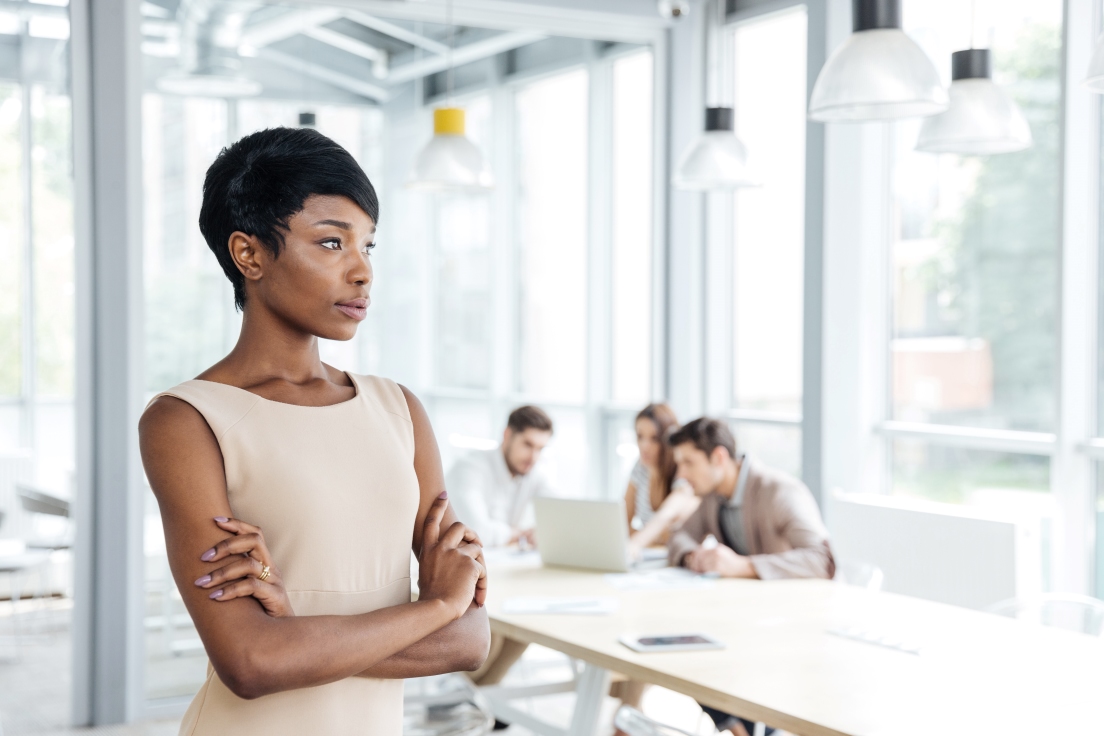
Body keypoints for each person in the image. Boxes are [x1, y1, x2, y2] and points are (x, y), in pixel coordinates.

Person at [139, 127, 489, 736]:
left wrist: (297, 633)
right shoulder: (187, 419)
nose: (362, 273)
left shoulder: (399, 410)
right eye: (332, 243)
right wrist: (434, 607)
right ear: (249, 254)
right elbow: (250, 662)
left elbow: (469, 640)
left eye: (369, 247)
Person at [666, 417, 834, 736]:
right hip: (746, 621)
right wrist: (694, 556)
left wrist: (742, 566)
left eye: (688, 463)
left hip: (791, 625)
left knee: (702, 653)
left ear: (718, 457)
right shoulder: (714, 497)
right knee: (683, 649)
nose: (681, 474)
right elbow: (679, 536)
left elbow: (822, 560)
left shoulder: (778, 491)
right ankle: (739, 730)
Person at [447, 405, 554, 549]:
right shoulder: (469, 468)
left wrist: (543, 532)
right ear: (507, 435)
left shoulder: (532, 472)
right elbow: (476, 532)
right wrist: (520, 535)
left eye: (540, 449)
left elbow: (562, 510)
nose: (533, 457)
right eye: (528, 445)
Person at [623, 403, 700, 560]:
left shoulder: (683, 473)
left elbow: (667, 516)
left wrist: (636, 543)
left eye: (654, 439)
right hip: (649, 556)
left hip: (674, 559)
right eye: (640, 437)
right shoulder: (640, 468)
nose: (645, 446)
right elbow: (622, 519)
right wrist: (648, 539)